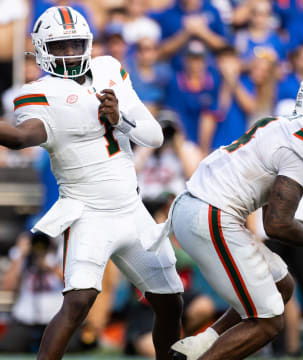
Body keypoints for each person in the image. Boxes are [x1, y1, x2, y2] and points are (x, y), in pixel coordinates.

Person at [5, 6, 184, 360]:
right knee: (79, 301)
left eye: (76, 44)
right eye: (61, 46)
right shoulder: (38, 92)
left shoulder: (108, 68)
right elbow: (23, 136)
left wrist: (121, 119)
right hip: (88, 214)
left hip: (133, 211)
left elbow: (153, 137)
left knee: (170, 302)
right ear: (42, 48)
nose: (71, 54)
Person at [157, 69, 303, 360]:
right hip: (211, 215)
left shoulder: (285, 127)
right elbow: (276, 225)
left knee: (281, 285)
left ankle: (203, 344)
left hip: (201, 208)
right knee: (267, 321)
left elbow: (277, 214)